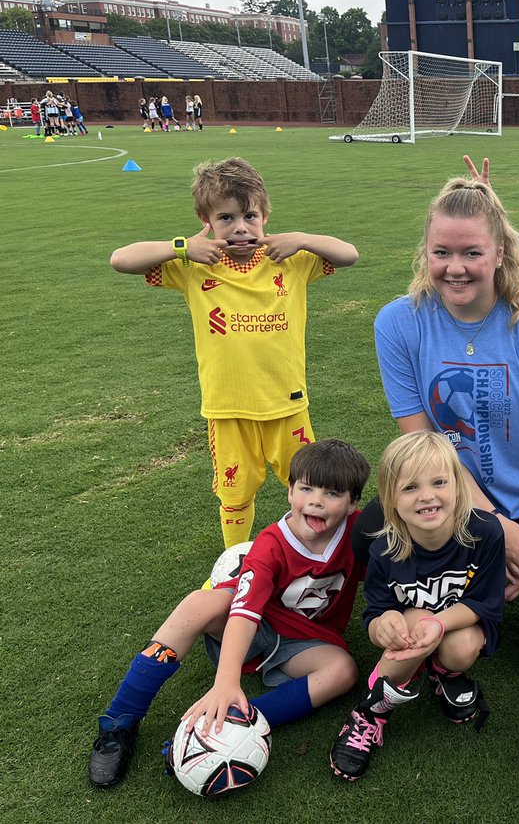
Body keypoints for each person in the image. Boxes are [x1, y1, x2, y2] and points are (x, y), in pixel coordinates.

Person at [368, 172, 519, 672]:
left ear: (500, 252)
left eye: (471, 253)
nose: (455, 268)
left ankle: (484, 583)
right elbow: (422, 438)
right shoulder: (397, 322)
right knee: (365, 533)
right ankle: (442, 602)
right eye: (441, 253)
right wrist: (495, 527)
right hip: (459, 492)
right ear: (425, 253)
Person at [87, 439, 371, 788]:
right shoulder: (271, 544)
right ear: (290, 491)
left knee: (342, 671)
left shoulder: (361, 533)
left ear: (353, 502)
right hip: (249, 621)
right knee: (200, 603)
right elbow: (244, 611)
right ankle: (119, 722)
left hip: (305, 638)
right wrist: (226, 681)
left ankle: (227, 726)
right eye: (306, 488)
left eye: (332, 493)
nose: (315, 500)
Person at [109, 157, 359, 547]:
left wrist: (303, 238)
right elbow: (120, 260)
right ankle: (235, 561)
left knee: (314, 487)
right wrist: (182, 247)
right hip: (228, 409)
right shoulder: (195, 264)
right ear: (205, 219)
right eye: (225, 218)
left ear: (264, 215)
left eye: (250, 216)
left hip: (286, 404)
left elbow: (349, 254)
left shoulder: (289, 260)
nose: (240, 227)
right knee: (236, 493)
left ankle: (325, 554)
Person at [329, 432, 505, 781]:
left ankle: (445, 672)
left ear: (459, 486)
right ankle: (370, 713)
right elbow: (376, 613)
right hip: (416, 623)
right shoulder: (383, 549)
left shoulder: (486, 532)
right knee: (410, 629)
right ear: (390, 500)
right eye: (410, 488)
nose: (427, 496)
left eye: (439, 482)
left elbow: (483, 604)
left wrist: (439, 624)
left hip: (457, 623)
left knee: (461, 646)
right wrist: (387, 624)